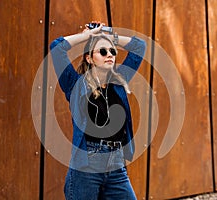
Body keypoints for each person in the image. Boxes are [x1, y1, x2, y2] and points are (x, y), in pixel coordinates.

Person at [50, 22, 146, 200]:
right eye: (102, 51)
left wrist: (111, 37)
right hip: (87, 166)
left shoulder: (119, 82)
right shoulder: (75, 84)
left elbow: (140, 46)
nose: (109, 54)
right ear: (89, 58)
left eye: (112, 51)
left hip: (116, 165)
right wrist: (88, 36)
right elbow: (56, 48)